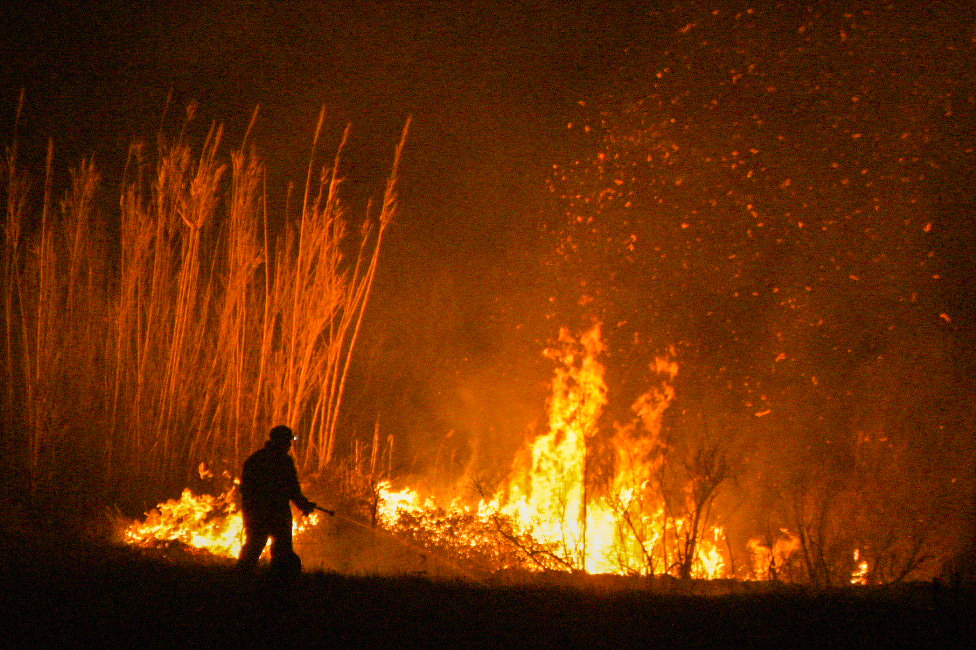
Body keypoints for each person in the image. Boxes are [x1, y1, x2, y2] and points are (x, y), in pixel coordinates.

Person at [236, 425, 316, 575]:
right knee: (279, 549)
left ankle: (242, 578)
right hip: (275, 512)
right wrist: (303, 505)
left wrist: (303, 504)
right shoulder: (283, 462)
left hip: (258, 512)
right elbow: (292, 489)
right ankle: (276, 581)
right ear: (280, 441)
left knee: (255, 547)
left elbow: (245, 489)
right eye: (287, 441)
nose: (289, 445)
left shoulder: (255, 459)